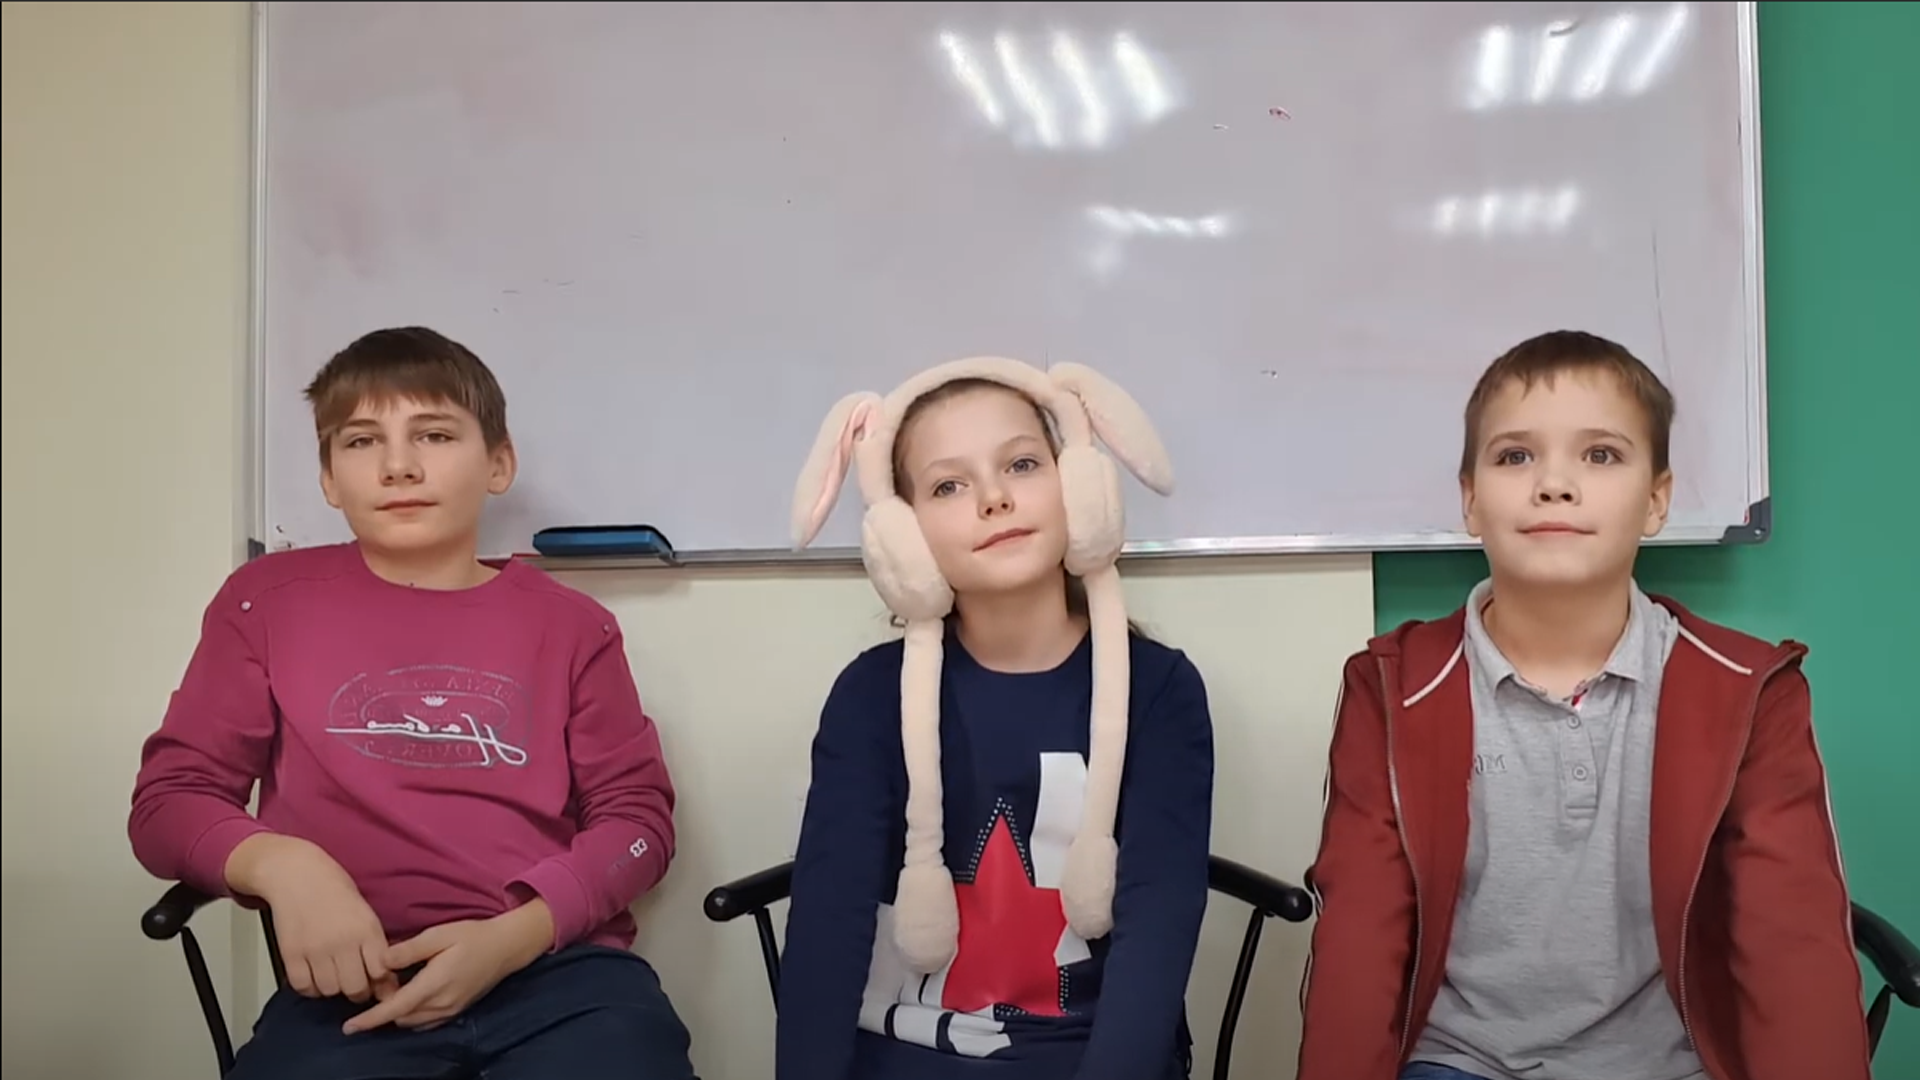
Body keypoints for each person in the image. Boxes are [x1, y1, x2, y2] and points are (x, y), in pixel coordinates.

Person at [1295, 330, 1873, 1080]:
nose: (1554, 484)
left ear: (1657, 500)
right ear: (1470, 500)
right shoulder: (1392, 685)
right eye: (1515, 456)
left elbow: (1791, 942)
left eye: (1600, 455)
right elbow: (1360, 936)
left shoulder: (1748, 687)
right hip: (1460, 1063)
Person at [127, 326, 698, 1079]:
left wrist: (516, 936)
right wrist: (283, 866)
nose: (398, 466)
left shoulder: (573, 627)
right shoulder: (264, 604)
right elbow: (169, 803)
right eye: (362, 441)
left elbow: (638, 825)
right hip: (353, 988)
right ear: (329, 478)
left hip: (559, 974)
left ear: (499, 463)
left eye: (433, 434)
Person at [773, 358, 1215, 1080]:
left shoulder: (1161, 691)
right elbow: (829, 924)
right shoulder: (868, 696)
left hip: (1085, 1057)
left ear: (1079, 488)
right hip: (904, 1051)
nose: (994, 498)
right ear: (904, 536)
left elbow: (1157, 929)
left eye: (1022, 464)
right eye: (948, 485)